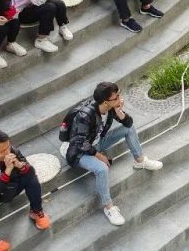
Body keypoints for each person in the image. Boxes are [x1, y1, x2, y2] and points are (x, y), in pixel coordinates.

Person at [64, 81, 162, 226]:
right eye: (116, 98)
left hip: (97, 142)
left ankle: (140, 161)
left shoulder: (109, 108)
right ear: (105, 101)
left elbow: (128, 123)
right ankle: (109, 207)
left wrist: (118, 111)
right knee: (102, 169)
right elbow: (79, 142)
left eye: (118, 95)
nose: (119, 99)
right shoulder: (85, 115)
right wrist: (99, 155)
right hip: (78, 151)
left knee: (129, 129)